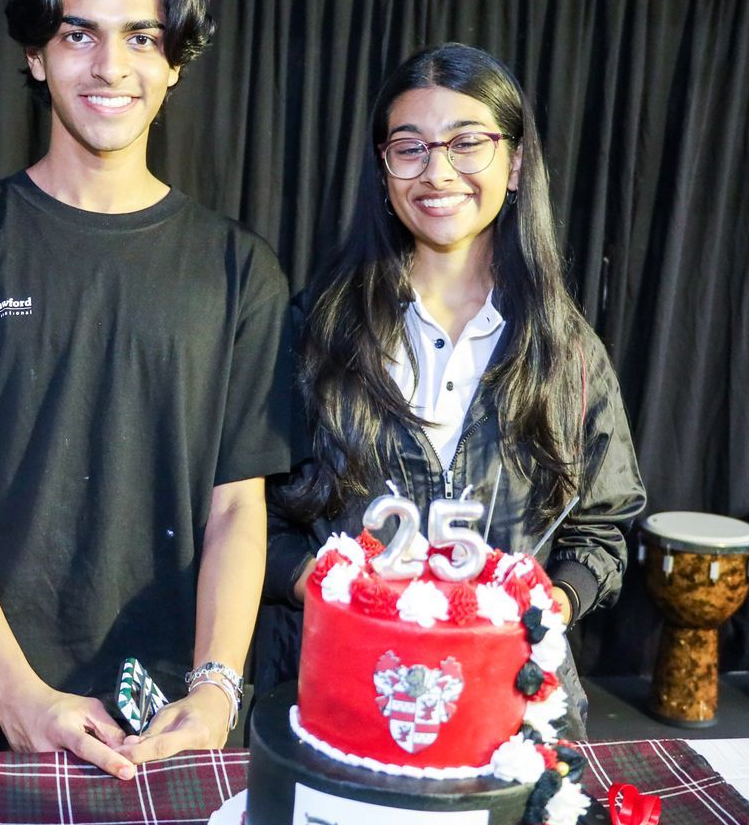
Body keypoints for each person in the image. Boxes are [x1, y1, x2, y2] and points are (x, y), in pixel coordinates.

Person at [0, 0, 292, 777]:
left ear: (175, 64)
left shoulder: (239, 271)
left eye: (142, 38)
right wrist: (14, 694)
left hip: (168, 717)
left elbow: (238, 506)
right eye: (79, 33)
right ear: (35, 55)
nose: (111, 65)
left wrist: (219, 687)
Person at [263, 44, 646, 738]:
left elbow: (603, 526)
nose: (437, 172)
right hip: (348, 699)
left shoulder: (567, 350)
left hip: (513, 715)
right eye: (409, 148)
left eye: (468, 143)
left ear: (516, 161)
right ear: (382, 171)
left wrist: (542, 606)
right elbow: (253, 517)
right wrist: (352, 597)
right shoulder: (315, 329)